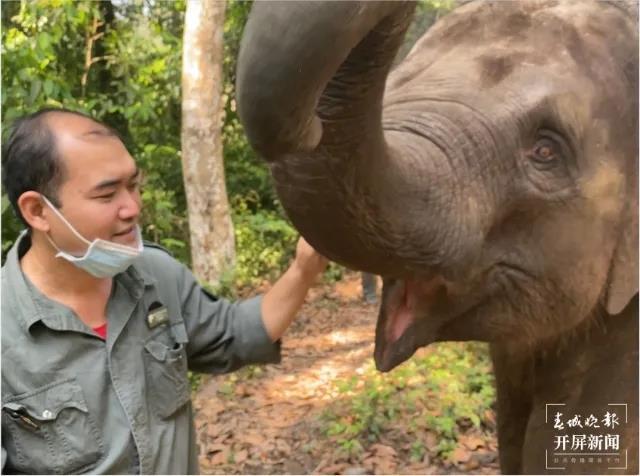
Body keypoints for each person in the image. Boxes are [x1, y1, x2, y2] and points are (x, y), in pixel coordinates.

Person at [0, 108, 328, 474]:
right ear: (37, 211)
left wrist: (304, 269)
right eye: (107, 195)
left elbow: (234, 335)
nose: (133, 207)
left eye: (133, 185)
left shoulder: (155, 276)